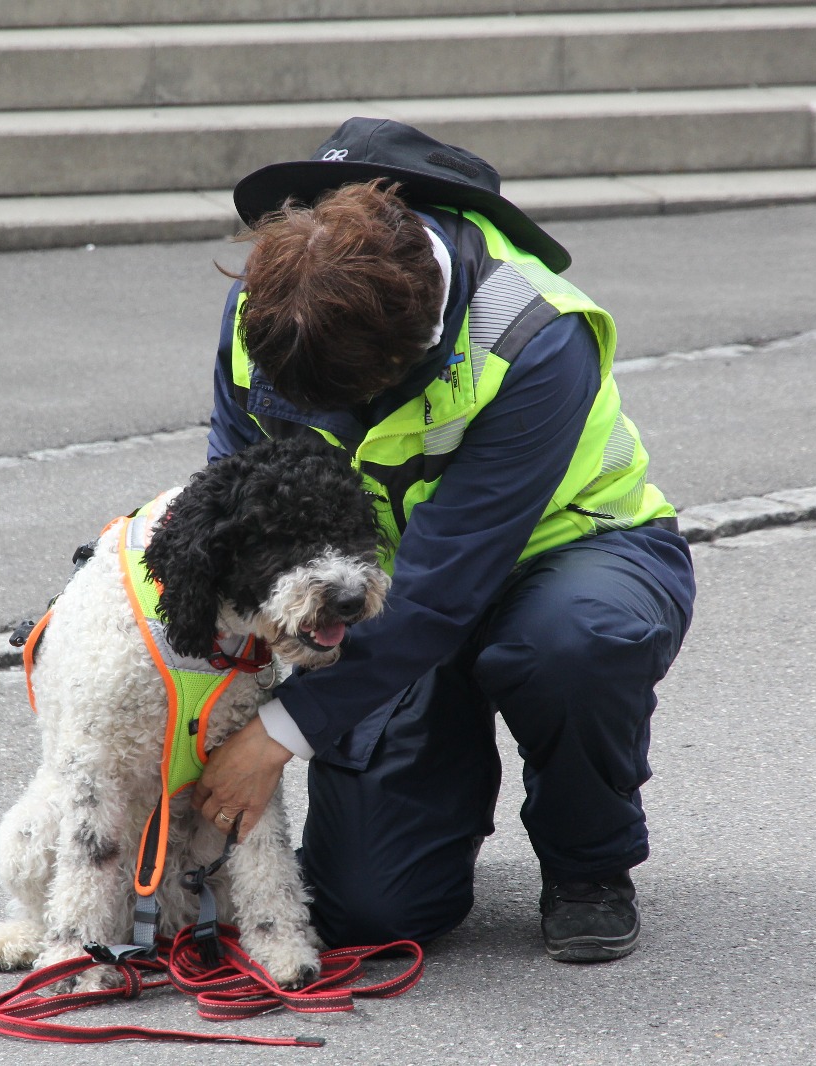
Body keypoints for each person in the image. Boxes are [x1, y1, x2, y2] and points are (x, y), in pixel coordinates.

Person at [190, 118, 696, 963]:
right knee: (369, 910)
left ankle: (589, 864)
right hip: (383, 596)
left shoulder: (533, 337)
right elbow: (234, 505)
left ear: (408, 350)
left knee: (570, 646)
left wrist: (277, 734)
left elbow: (441, 587)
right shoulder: (276, 311)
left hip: (574, 559)